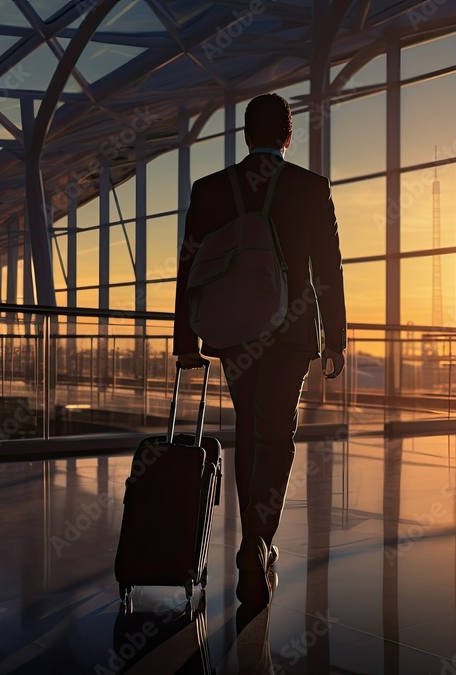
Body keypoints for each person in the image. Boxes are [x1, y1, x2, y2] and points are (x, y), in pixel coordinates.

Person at [173, 93, 347, 615]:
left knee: (248, 428)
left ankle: (253, 538)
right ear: (287, 138)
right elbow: (328, 271)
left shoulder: (209, 191)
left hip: (234, 333)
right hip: (291, 334)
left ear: (247, 136)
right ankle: (258, 541)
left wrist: (186, 339)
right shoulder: (310, 189)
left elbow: (188, 269)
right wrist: (334, 338)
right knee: (277, 432)